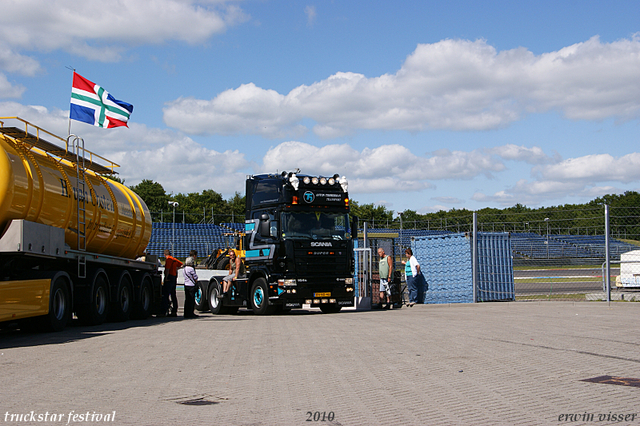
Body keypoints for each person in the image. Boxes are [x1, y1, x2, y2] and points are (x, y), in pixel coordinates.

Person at [162, 249, 183, 317]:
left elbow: (167, 269)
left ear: (164, 255)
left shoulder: (168, 260)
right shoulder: (174, 259)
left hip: (169, 277)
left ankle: (165, 310)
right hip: (174, 277)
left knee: (166, 295)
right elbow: (181, 265)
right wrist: (176, 269)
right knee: (173, 294)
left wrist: (166, 278)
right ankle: (174, 310)